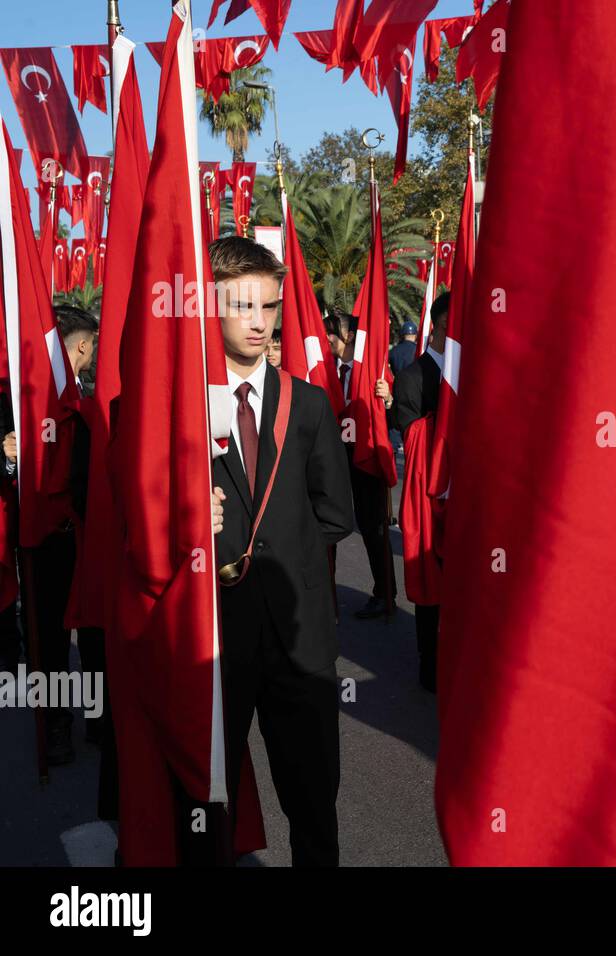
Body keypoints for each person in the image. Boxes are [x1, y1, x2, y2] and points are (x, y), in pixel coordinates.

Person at [204, 237, 354, 865]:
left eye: (269, 306)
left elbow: (335, 513)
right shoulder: (179, 405)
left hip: (299, 637)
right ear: (211, 306)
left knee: (313, 800)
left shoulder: (310, 404)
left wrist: (280, 558)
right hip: (213, 639)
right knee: (209, 803)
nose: (260, 322)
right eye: (243, 306)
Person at [3, 305, 96, 766]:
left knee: (96, 631)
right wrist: (8, 454)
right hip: (48, 540)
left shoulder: (91, 396)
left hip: (89, 534)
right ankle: (56, 722)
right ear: (82, 344)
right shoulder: (21, 402)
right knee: (52, 640)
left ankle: (100, 717)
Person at [393, 293, 450, 692]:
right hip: (431, 497)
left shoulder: (474, 371)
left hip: (469, 496)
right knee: (432, 589)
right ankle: (429, 664)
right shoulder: (414, 376)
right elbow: (410, 433)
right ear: (440, 324)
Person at [331, 312, 397, 620]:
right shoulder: (323, 368)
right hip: (332, 457)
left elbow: (394, 417)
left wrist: (388, 401)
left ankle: (384, 592)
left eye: (333, 331)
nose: (327, 336)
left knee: (372, 528)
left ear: (350, 337)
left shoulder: (373, 372)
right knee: (324, 525)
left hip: (364, 458)